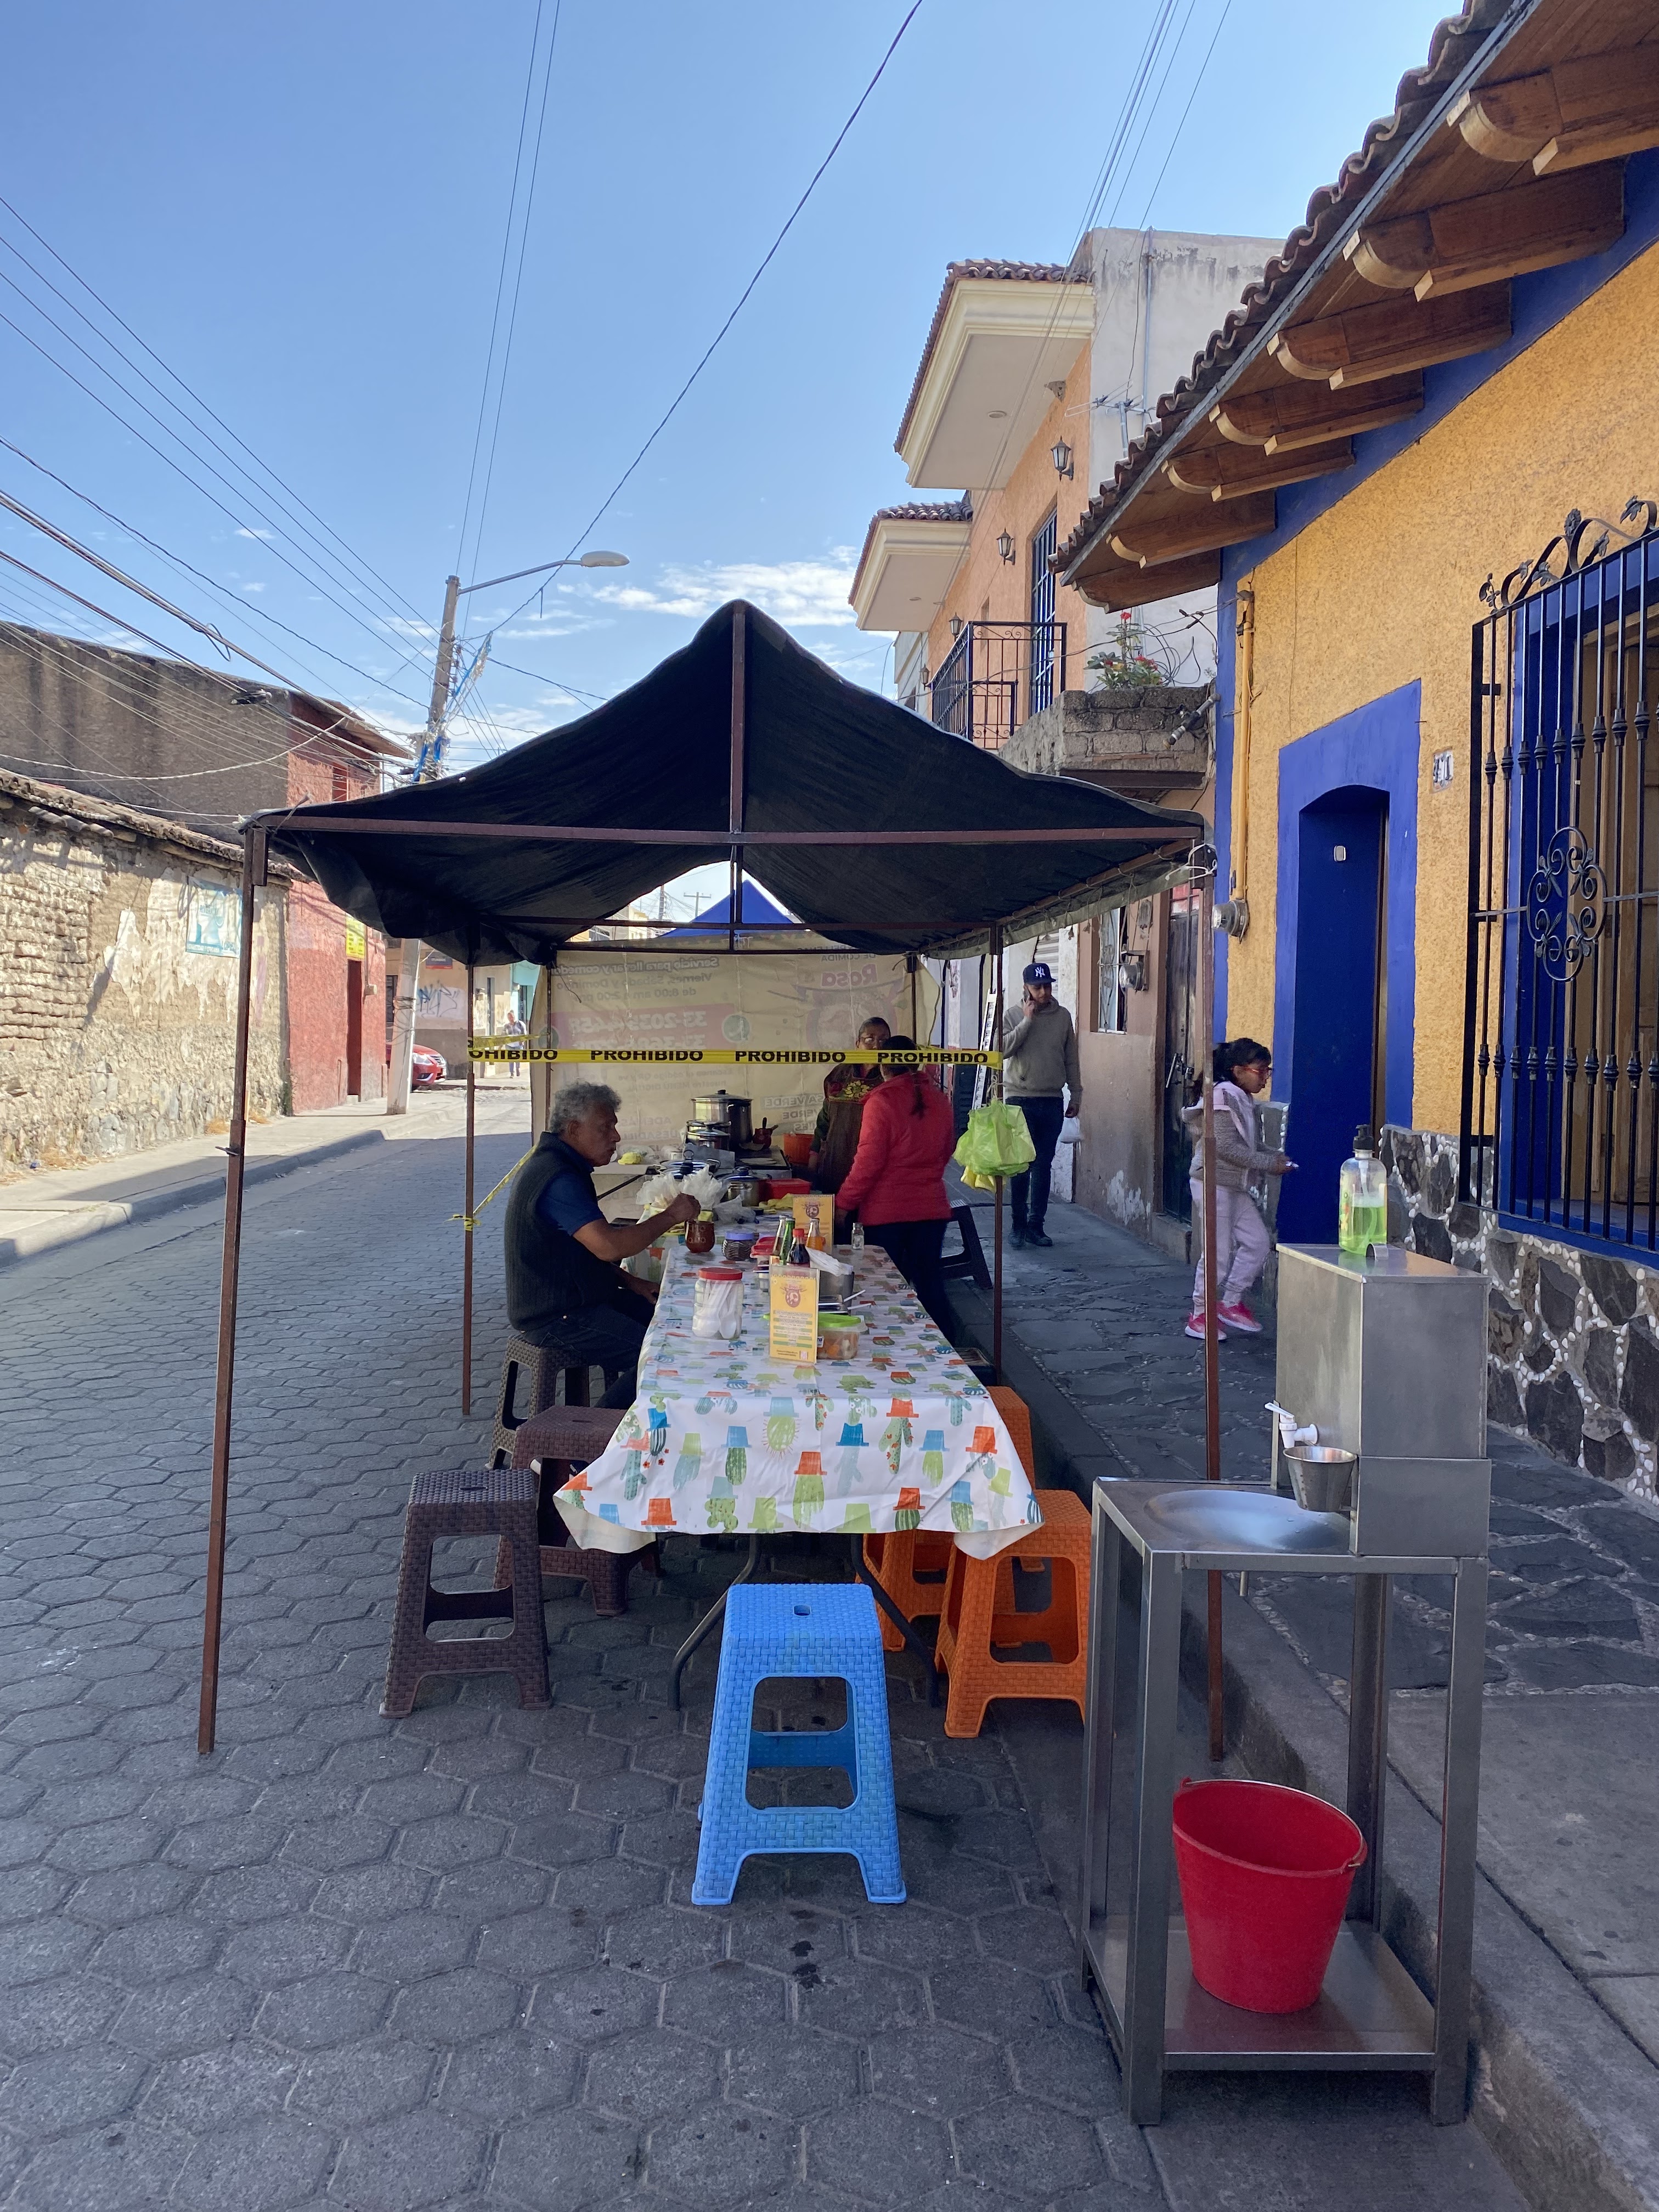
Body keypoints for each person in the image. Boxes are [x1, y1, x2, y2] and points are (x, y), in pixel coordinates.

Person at [504, 1081, 700, 1407]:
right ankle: (591, 1448)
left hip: (581, 1300)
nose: (616, 1137)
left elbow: (580, 1252)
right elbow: (608, 1247)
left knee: (672, 1325)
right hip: (555, 1315)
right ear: (573, 1129)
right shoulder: (557, 1178)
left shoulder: (564, 1166)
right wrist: (670, 1216)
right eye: (605, 1127)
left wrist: (632, 1281)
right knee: (657, 1356)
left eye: (615, 1126)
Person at [835, 1036, 958, 1339]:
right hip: (932, 1209)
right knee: (930, 1287)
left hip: (887, 1215)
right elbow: (947, 1150)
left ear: (883, 1064)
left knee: (885, 1291)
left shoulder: (882, 1102)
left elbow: (867, 1164)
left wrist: (843, 1204)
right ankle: (947, 1352)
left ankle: (890, 1351)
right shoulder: (940, 1100)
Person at [1180, 1038, 1295, 1341]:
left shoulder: (1240, 1097)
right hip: (1213, 1183)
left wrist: (1271, 1157)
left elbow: (1246, 1145)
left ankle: (1230, 1302)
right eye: (1261, 1071)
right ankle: (1199, 1313)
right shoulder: (1222, 1096)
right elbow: (1225, 1148)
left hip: (1233, 1185)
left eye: (1268, 1071)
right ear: (1238, 1070)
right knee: (1217, 1252)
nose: (1265, 1077)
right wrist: (1269, 1164)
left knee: (1257, 1242)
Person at [1001, 960, 1082, 1248]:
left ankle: (1037, 1226)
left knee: (1043, 1166)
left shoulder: (1063, 1017)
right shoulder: (1012, 1014)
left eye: (1047, 986)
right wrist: (1027, 1020)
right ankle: (1017, 1226)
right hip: (1019, 1098)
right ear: (1026, 988)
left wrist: (1077, 1093)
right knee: (1020, 1168)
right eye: (1038, 987)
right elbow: (1002, 1050)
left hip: (1051, 1099)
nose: (1044, 992)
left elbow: (1071, 1057)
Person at [808, 1015, 890, 1194]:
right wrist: (813, 1161)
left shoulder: (891, 1079)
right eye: (870, 1039)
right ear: (858, 1043)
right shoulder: (839, 1074)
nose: (877, 1046)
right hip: (833, 1164)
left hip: (874, 1172)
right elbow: (824, 1121)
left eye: (884, 1040)